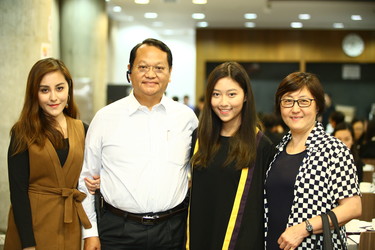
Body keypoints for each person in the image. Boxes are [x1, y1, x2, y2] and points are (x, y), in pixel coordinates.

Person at [79, 38, 198, 250]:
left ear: (170, 73)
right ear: (130, 70)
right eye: (142, 67)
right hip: (118, 231)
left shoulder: (186, 119)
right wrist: (90, 232)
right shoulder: (105, 118)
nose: (150, 74)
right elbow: (86, 177)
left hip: (172, 231)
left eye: (159, 68)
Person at [264, 72, 361, 249]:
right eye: (287, 101)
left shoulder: (334, 149)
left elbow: (353, 207)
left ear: (318, 106)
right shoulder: (277, 149)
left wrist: (304, 228)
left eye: (303, 101)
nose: (295, 109)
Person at [4, 58, 91, 249]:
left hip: (71, 226)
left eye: (59, 88)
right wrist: (28, 244)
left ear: (69, 90)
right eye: (45, 90)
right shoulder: (22, 132)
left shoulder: (83, 129)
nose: (53, 97)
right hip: (34, 226)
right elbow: (18, 193)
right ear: (34, 94)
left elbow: (88, 178)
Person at [186, 62, 275, 249]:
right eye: (216, 94)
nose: (223, 103)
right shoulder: (199, 139)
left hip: (240, 242)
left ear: (245, 97)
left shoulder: (260, 145)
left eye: (232, 94)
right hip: (200, 238)